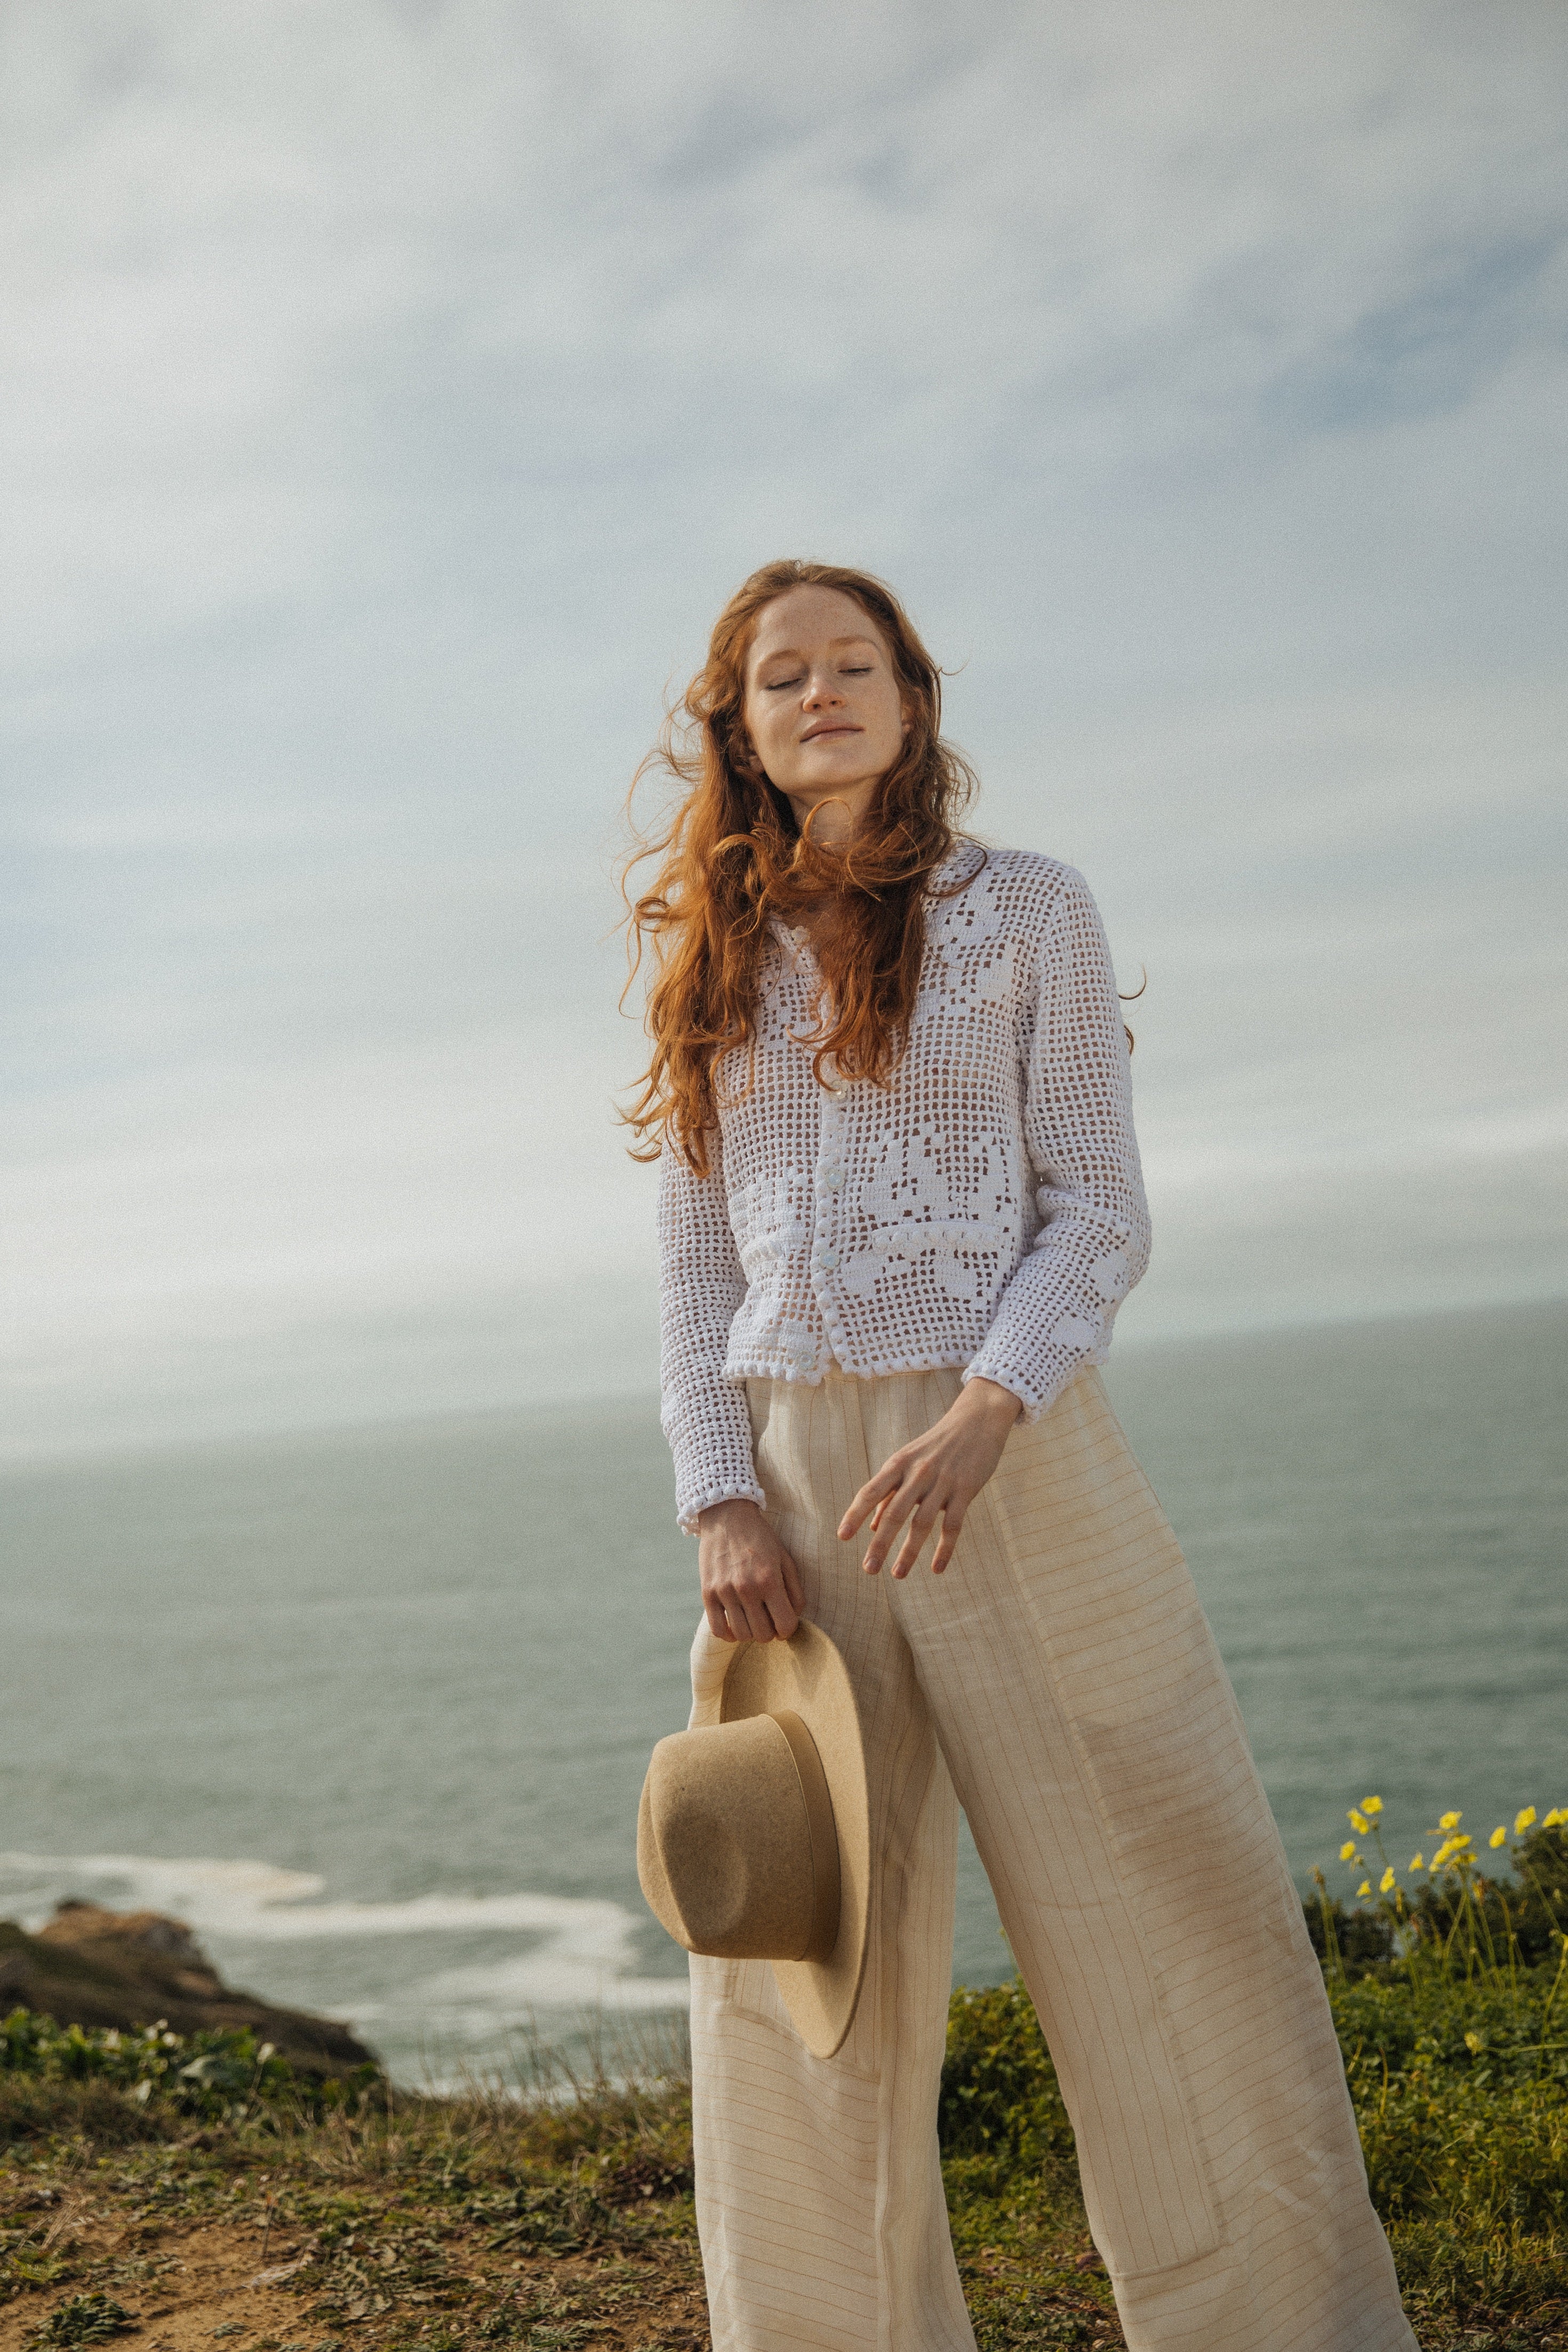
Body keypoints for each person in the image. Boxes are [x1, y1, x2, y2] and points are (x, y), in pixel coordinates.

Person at [623, 559, 1415, 2352]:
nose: (816, 691)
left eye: (850, 663)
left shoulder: (1027, 911)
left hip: (1014, 1461)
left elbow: (1095, 1211)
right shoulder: (712, 957)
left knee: (1161, 1926)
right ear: (738, 730)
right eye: (778, 676)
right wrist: (718, 1495)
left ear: (909, 697)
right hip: (794, 1507)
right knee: (802, 1990)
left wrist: (987, 1412)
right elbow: (689, 1272)